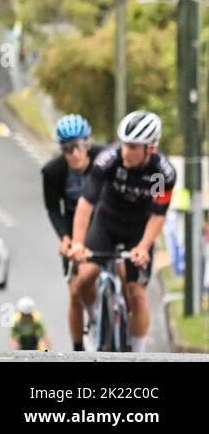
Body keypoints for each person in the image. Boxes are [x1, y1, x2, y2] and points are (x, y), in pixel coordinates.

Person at [68, 110, 176, 353]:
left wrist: (143, 247)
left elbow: (159, 214)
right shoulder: (108, 160)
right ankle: (95, 318)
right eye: (125, 144)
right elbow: (86, 205)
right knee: (83, 278)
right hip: (107, 222)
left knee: (136, 292)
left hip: (139, 229)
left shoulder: (161, 173)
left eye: (134, 147)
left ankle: (136, 354)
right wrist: (77, 243)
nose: (126, 151)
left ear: (150, 148)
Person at [41, 113, 104, 349]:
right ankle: (78, 348)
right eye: (68, 149)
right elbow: (52, 208)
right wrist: (65, 238)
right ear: (61, 150)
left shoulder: (104, 158)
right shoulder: (52, 172)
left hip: (105, 224)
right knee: (76, 292)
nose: (75, 154)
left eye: (79, 146)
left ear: (87, 143)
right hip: (74, 230)